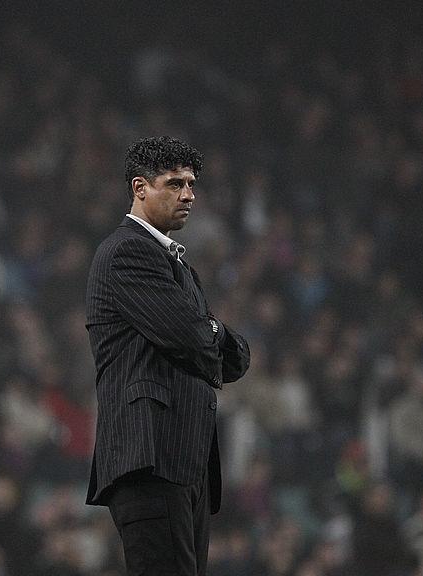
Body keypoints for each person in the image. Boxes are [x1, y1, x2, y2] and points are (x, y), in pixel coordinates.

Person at [85, 136, 251, 575]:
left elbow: (234, 359)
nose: (189, 195)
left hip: (183, 462)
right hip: (151, 458)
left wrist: (209, 331)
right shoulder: (128, 252)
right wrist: (211, 330)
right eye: (175, 184)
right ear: (140, 188)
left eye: (192, 184)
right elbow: (194, 338)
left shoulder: (179, 267)